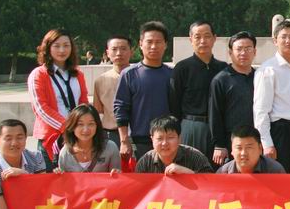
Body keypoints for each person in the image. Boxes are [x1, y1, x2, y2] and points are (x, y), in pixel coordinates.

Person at [28, 29, 89, 170]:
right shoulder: (39, 74)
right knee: (52, 179)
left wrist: (82, 127)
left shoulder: (78, 74)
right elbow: (41, 109)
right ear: (47, 48)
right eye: (56, 46)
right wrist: (68, 127)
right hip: (52, 138)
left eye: (66, 45)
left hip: (78, 136)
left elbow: (84, 102)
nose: (62, 50)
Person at [253, 20, 290, 173]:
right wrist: (267, 143)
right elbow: (260, 111)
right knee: (280, 177)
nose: (288, 41)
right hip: (280, 131)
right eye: (284, 37)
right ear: (275, 40)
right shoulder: (268, 70)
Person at [114, 21, 173, 161]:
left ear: (165, 44)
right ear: (141, 44)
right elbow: (120, 109)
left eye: (158, 42)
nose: (153, 46)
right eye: (149, 42)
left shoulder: (172, 74)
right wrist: (124, 141)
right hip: (139, 141)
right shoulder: (129, 74)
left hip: (168, 140)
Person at [170, 20, 227, 160]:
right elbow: (174, 104)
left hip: (219, 128)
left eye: (207, 36)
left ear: (214, 38)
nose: (203, 41)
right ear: (191, 39)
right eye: (197, 37)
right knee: (190, 167)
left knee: (218, 170)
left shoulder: (223, 68)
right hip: (191, 126)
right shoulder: (182, 68)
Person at [209, 32, 256, 167]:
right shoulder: (221, 80)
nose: (243, 53)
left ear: (255, 52)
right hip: (231, 142)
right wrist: (219, 145)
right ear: (230, 52)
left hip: (255, 140)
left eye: (248, 48)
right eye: (239, 49)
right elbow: (215, 114)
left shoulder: (260, 76)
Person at [92, 35, 133, 148]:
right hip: (111, 134)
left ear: (131, 52)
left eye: (123, 49)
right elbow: (99, 110)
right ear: (108, 53)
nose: (119, 53)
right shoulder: (100, 80)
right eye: (114, 49)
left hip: (136, 134)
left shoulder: (140, 77)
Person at [134, 116, 213, 174]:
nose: (164, 143)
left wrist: (189, 173)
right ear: (152, 139)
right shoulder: (145, 162)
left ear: (179, 138)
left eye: (170, 137)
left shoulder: (195, 157)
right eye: (159, 138)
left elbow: (211, 182)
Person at [57, 104, 121, 173]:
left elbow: (118, 177)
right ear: (72, 127)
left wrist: (117, 174)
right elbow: (63, 179)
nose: (86, 130)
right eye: (80, 124)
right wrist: (58, 174)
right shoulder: (65, 153)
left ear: (97, 126)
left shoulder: (110, 148)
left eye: (91, 124)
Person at [216, 126, 285, 174]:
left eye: (249, 147)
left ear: (260, 149)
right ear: (232, 151)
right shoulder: (223, 173)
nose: (243, 153)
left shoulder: (275, 171)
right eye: (239, 148)